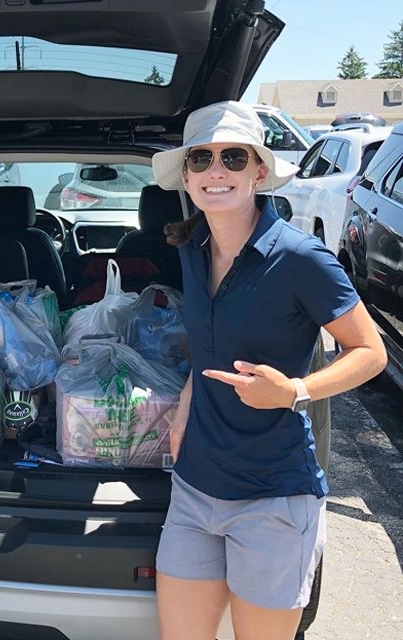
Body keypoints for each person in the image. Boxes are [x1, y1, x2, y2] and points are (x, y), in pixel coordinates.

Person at [150, 102, 387, 640]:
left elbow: (370, 352)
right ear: (186, 176)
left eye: (233, 158)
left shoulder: (302, 258)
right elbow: (212, 346)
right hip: (194, 490)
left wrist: (295, 390)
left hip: (273, 498)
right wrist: (188, 399)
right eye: (202, 159)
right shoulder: (192, 248)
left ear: (258, 171)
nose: (216, 171)